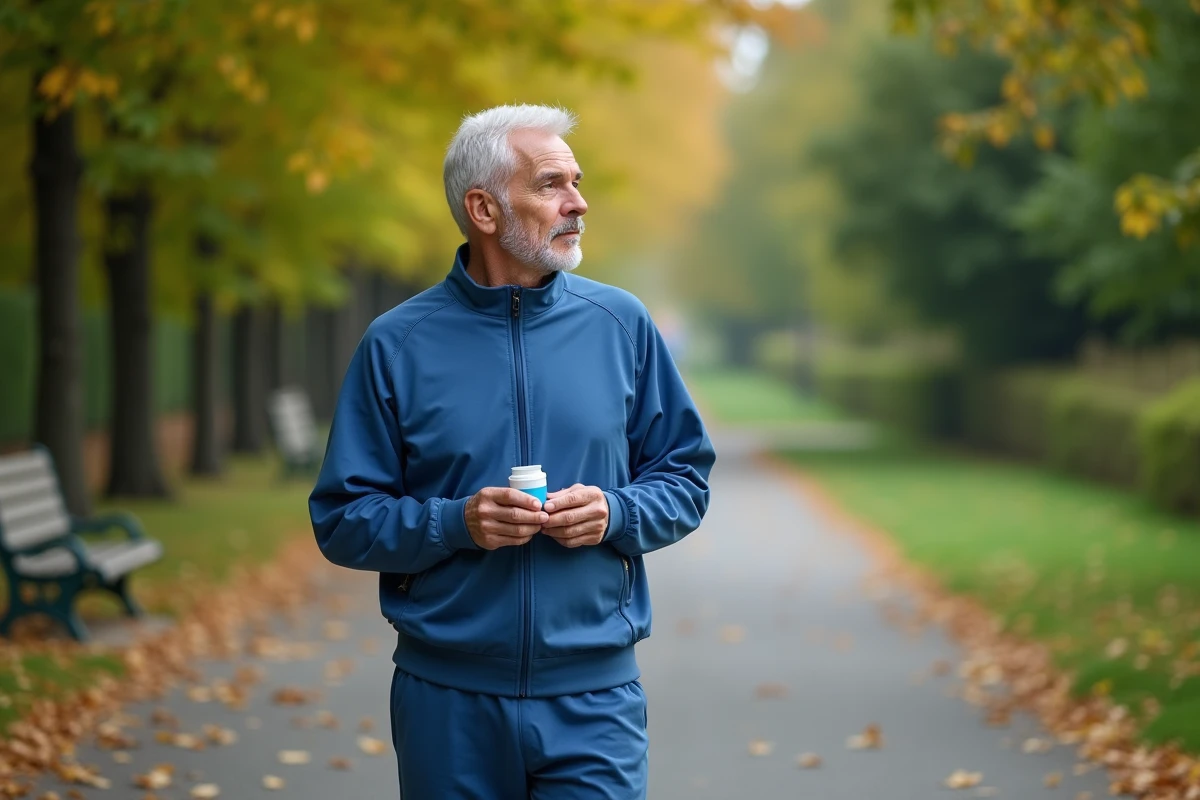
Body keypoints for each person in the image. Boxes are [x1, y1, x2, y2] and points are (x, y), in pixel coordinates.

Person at [309, 104, 716, 799]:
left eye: (577, 182)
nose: (579, 203)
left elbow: (685, 477)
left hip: (595, 699)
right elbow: (344, 519)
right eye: (552, 184)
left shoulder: (621, 324)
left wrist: (614, 513)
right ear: (485, 209)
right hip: (447, 699)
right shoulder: (396, 344)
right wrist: (455, 525)